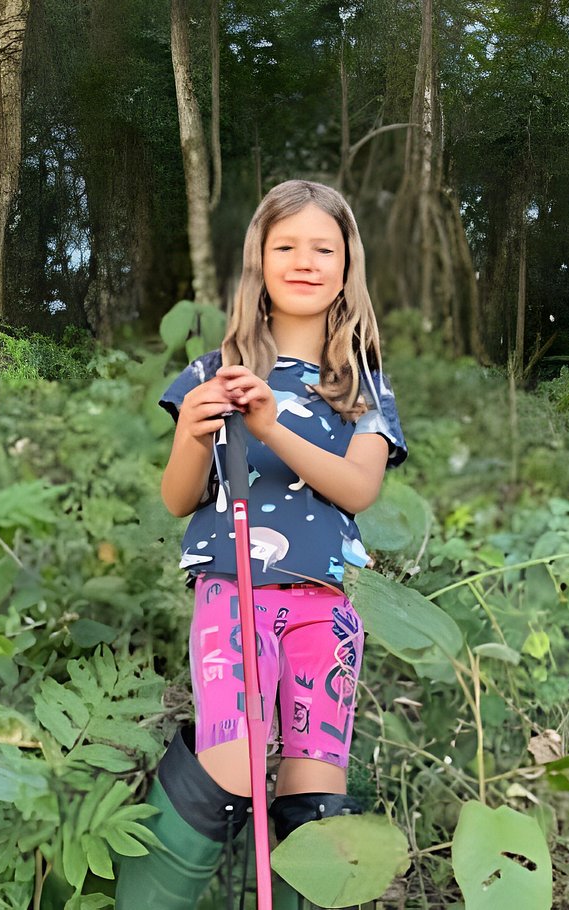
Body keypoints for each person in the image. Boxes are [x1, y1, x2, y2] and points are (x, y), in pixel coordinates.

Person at [115, 180, 406, 908]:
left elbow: (358, 488)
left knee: (315, 792)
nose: (304, 261)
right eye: (286, 246)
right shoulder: (215, 371)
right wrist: (192, 431)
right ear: (259, 261)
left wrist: (273, 425)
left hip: (329, 609)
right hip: (234, 592)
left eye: (323, 248)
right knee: (235, 763)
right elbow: (179, 497)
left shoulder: (362, 386)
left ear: (347, 267)